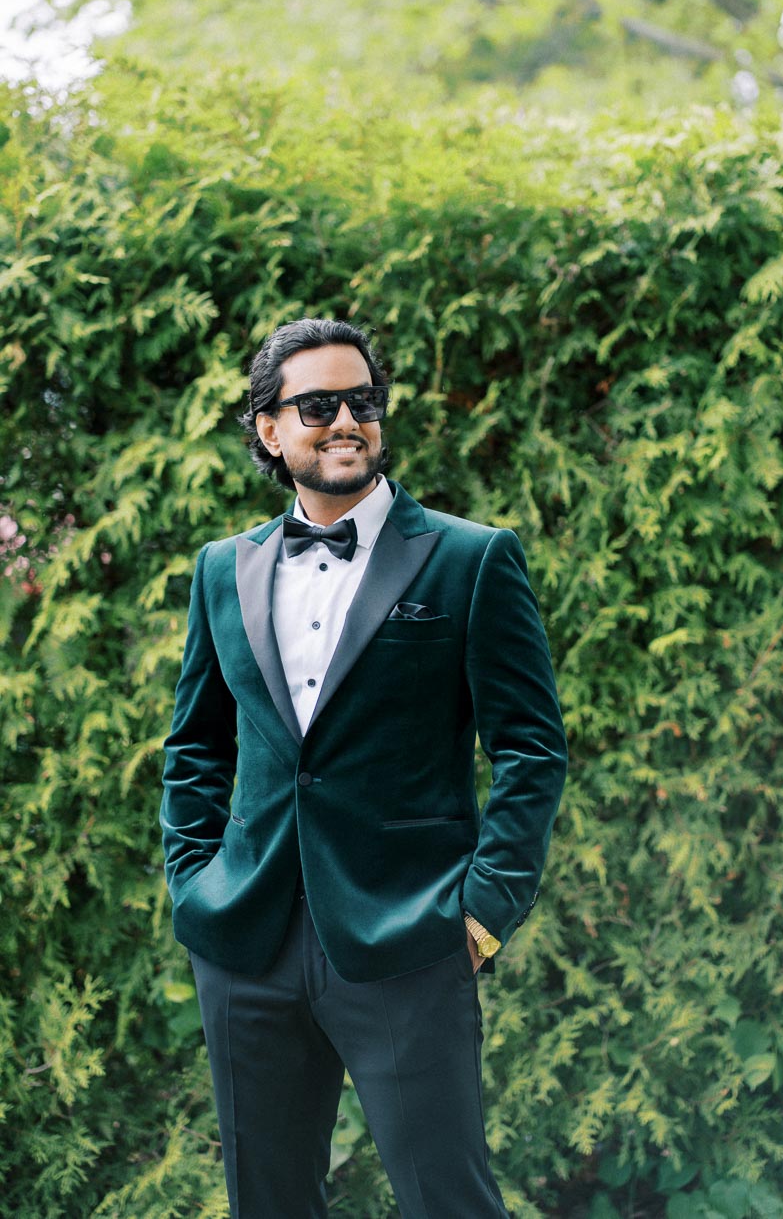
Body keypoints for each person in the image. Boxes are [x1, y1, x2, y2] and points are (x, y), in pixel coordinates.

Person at [160, 317, 567, 1218]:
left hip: (410, 938)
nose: (347, 419)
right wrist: (194, 882)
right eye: (317, 404)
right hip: (246, 941)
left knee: (448, 1200)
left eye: (364, 401)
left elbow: (531, 748)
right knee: (268, 1204)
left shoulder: (471, 557)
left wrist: (484, 910)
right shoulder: (222, 570)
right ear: (269, 428)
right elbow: (195, 745)